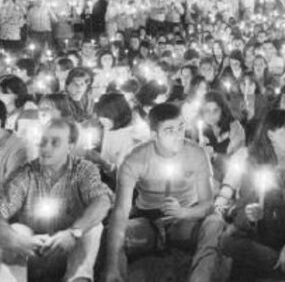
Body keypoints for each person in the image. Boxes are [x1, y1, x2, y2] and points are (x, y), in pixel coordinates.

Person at [103, 103, 228, 282]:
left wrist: (183, 213)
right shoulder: (135, 159)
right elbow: (121, 211)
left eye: (181, 127)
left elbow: (207, 204)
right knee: (112, 235)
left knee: (215, 224)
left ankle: (200, 278)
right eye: (170, 130)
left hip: (186, 222)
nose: (179, 136)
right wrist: (112, 264)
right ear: (154, 135)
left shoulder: (196, 153)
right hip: (149, 222)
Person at [0, 118, 113, 281]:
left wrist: (74, 232)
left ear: (70, 145)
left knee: (94, 227)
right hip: (31, 244)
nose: (46, 148)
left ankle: (78, 278)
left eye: (55, 143)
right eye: (43, 141)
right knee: (16, 228)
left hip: (70, 243)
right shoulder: (25, 173)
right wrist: (17, 239)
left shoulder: (83, 170)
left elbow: (102, 201)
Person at [219, 109, 285, 281]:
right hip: (264, 237)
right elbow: (240, 209)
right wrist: (249, 215)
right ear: (271, 136)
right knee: (227, 243)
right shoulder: (254, 162)